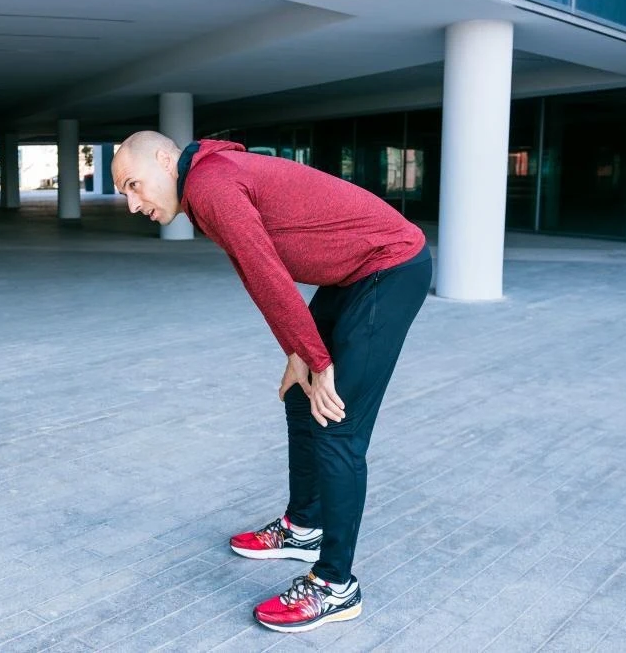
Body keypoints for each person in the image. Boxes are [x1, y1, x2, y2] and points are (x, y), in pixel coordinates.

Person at [111, 131, 431, 634]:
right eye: (123, 193)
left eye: (133, 184)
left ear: (164, 158)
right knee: (300, 399)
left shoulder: (213, 184)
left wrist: (317, 357)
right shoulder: (208, 184)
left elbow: (267, 274)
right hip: (351, 275)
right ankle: (303, 527)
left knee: (335, 422)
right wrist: (298, 351)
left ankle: (335, 586)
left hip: (388, 269)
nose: (132, 204)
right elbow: (256, 267)